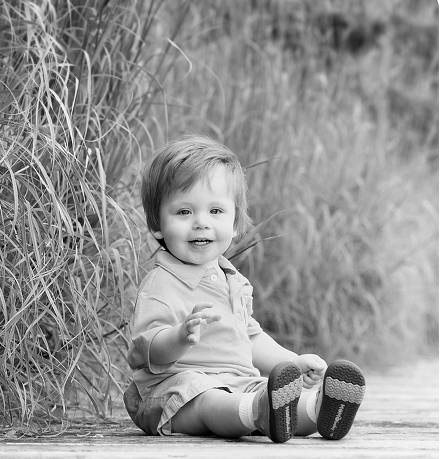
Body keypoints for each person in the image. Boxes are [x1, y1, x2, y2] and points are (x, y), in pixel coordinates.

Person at [124, 134, 366, 442]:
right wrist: (179, 337)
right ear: (157, 224)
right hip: (173, 391)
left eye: (215, 211)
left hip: (238, 382)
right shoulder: (162, 282)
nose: (201, 222)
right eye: (184, 212)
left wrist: (290, 362)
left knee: (266, 393)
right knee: (208, 400)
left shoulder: (231, 279)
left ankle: (319, 411)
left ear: (236, 222)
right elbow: (146, 348)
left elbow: (249, 338)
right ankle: (259, 413)